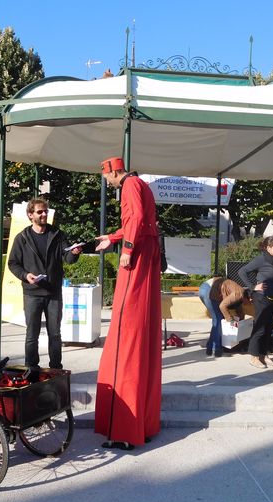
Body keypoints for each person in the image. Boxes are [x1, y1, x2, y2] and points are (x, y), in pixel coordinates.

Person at [93, 156, 162, 451]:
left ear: (113, 171)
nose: (107, 182)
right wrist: (112, 237)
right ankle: (142, 426)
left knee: (126, 333)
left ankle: (125, 429)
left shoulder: (129, 184)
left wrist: (127, 249)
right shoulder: (141, 184)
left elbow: (134, 219)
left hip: (139, 252)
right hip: (147, 250)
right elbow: (141, 221)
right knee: (138, 333)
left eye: (107, 177)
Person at [8, 197, 81, 373]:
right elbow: (13, 263)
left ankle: (56, 368)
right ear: (30, 214)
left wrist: (74, 253)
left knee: (55, 334)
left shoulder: (57, 234)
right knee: (32, 335)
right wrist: (26, 276)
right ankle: (31, 368)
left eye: (46, 211)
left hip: (53, 293)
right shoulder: (22, 238)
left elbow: (67, 258)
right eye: (40, 212)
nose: (44, 214)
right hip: (32, 293)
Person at [239, 236, 273, 369]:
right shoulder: (261, 259)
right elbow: (242, 271)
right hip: (261, 298)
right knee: (260, 328)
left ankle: (263, 355)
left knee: (269, 328)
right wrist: (253, 286)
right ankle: (254, 357)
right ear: (268, 248)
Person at [198, 277, 249, 357]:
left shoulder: (240, 295)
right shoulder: (239, 294)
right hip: (208, 288)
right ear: (249, 297)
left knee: (216, 321)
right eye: (250, 302)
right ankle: (216, 349)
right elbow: (222, 306)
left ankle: (210, 347)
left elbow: (239, 311)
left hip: (207, 288)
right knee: (219, 320)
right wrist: (231, 321)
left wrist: (240, 323)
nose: (249, 304)